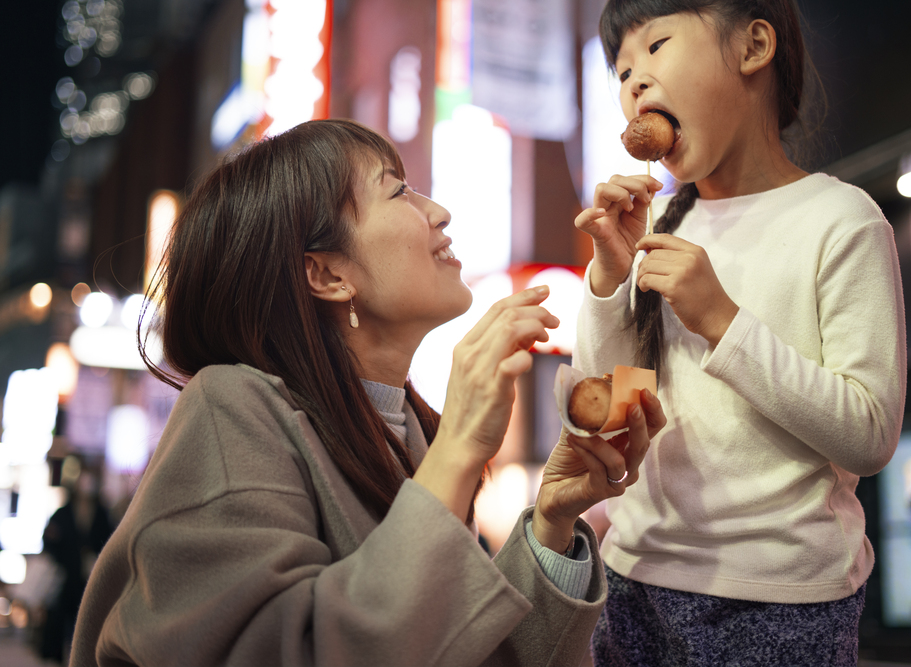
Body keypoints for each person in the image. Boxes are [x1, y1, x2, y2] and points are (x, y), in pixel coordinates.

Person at [68, 119, 666, 666]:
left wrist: (552, 522)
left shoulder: (402, 430)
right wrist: (458, 445)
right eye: (397, 190)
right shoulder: (231, 406)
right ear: (327, 273)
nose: (439, 212)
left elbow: (460, 651)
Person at [572, 1, 906, 665]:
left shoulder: (840, 219)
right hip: (634, 572)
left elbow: (870, 434)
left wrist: (722, 321)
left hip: (784, 594)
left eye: (658, 46)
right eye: (622, 70)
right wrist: (610, 277)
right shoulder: (657, 218)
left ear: (754, 47)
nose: (634, 82)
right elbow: (609, 407)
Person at [41, 469, 114, 663]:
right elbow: (49, 539)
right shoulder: (63, 513)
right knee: (61, 622)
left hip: (90, 578)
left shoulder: (101, 513)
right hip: (66, 579)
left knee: (85, 622)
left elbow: (111, 540)